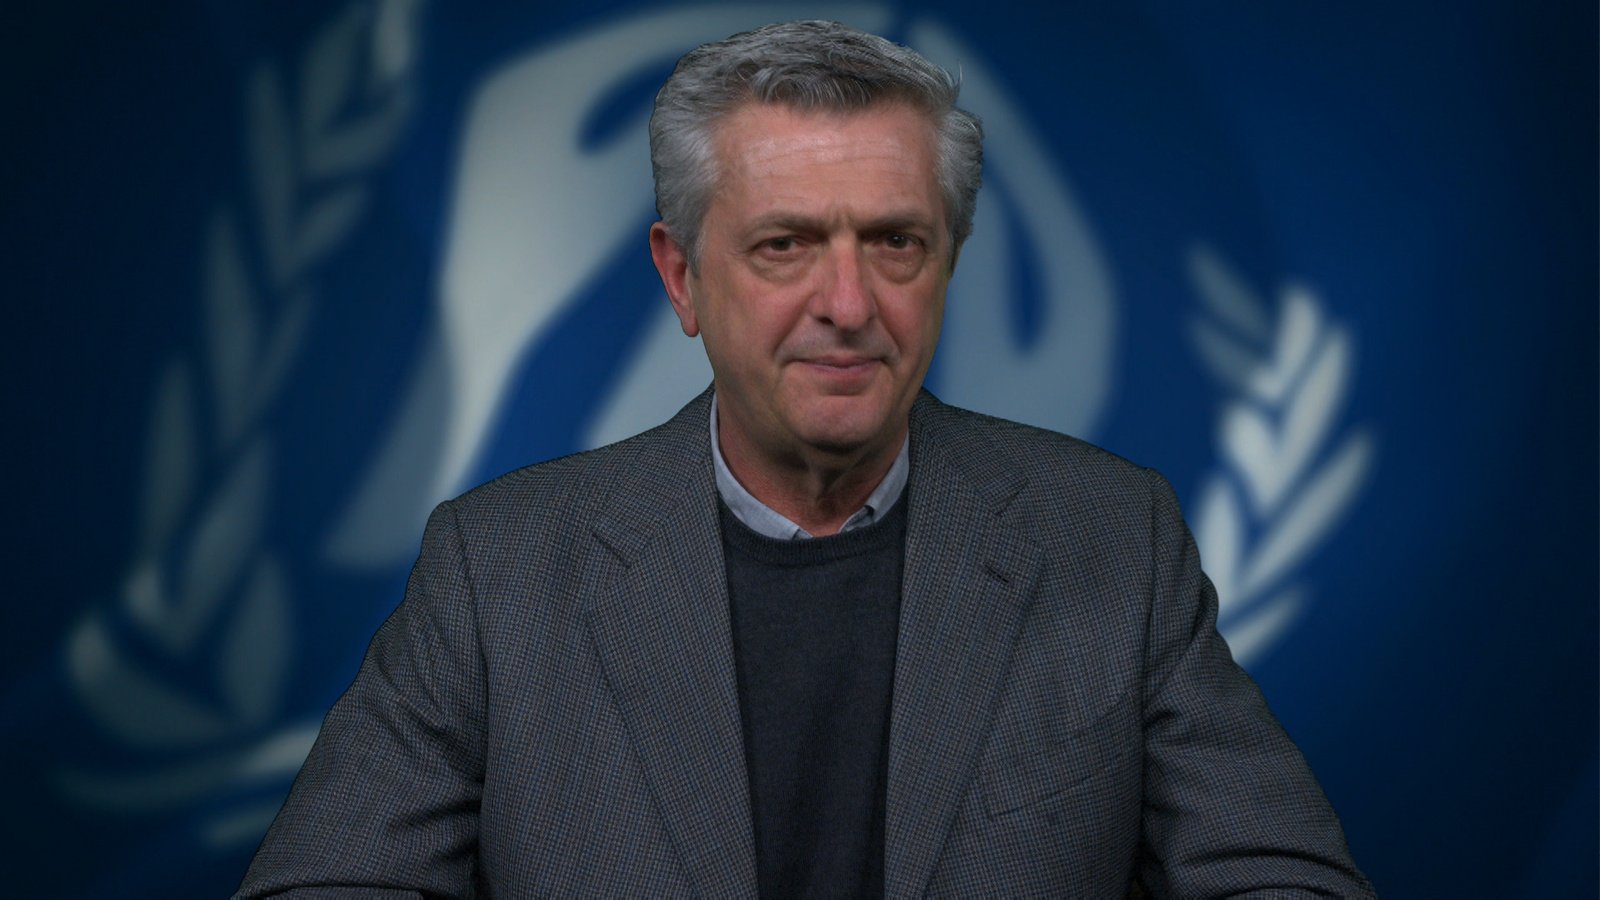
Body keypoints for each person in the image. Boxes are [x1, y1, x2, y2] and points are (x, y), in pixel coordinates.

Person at [238, 20, 1373, 898]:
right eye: (785, 245)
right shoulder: (496, 569)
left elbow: (1281, 879)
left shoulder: (1114, 540)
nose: (848, 303)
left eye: (895, 241)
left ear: (947, 263)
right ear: (681, 277)